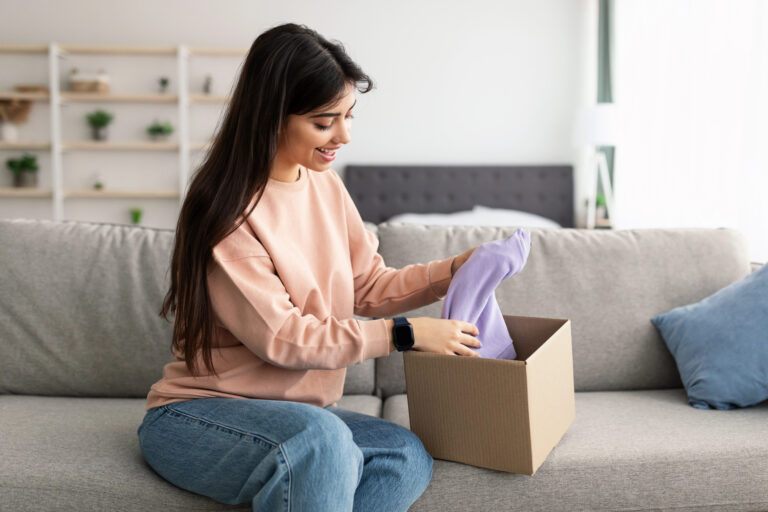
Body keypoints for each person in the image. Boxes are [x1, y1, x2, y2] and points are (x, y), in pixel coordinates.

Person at [137, 23, 481, 512]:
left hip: (298, 416)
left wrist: (455, 271)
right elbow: (285, 337)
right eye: (324, 122)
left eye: (347, 116)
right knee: (322, 440)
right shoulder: (227, 211)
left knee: (403, 453)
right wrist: (403, 335)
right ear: (272, 117)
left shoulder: (324, 185)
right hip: (200, 415)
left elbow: (369, 286)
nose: (343, 135)